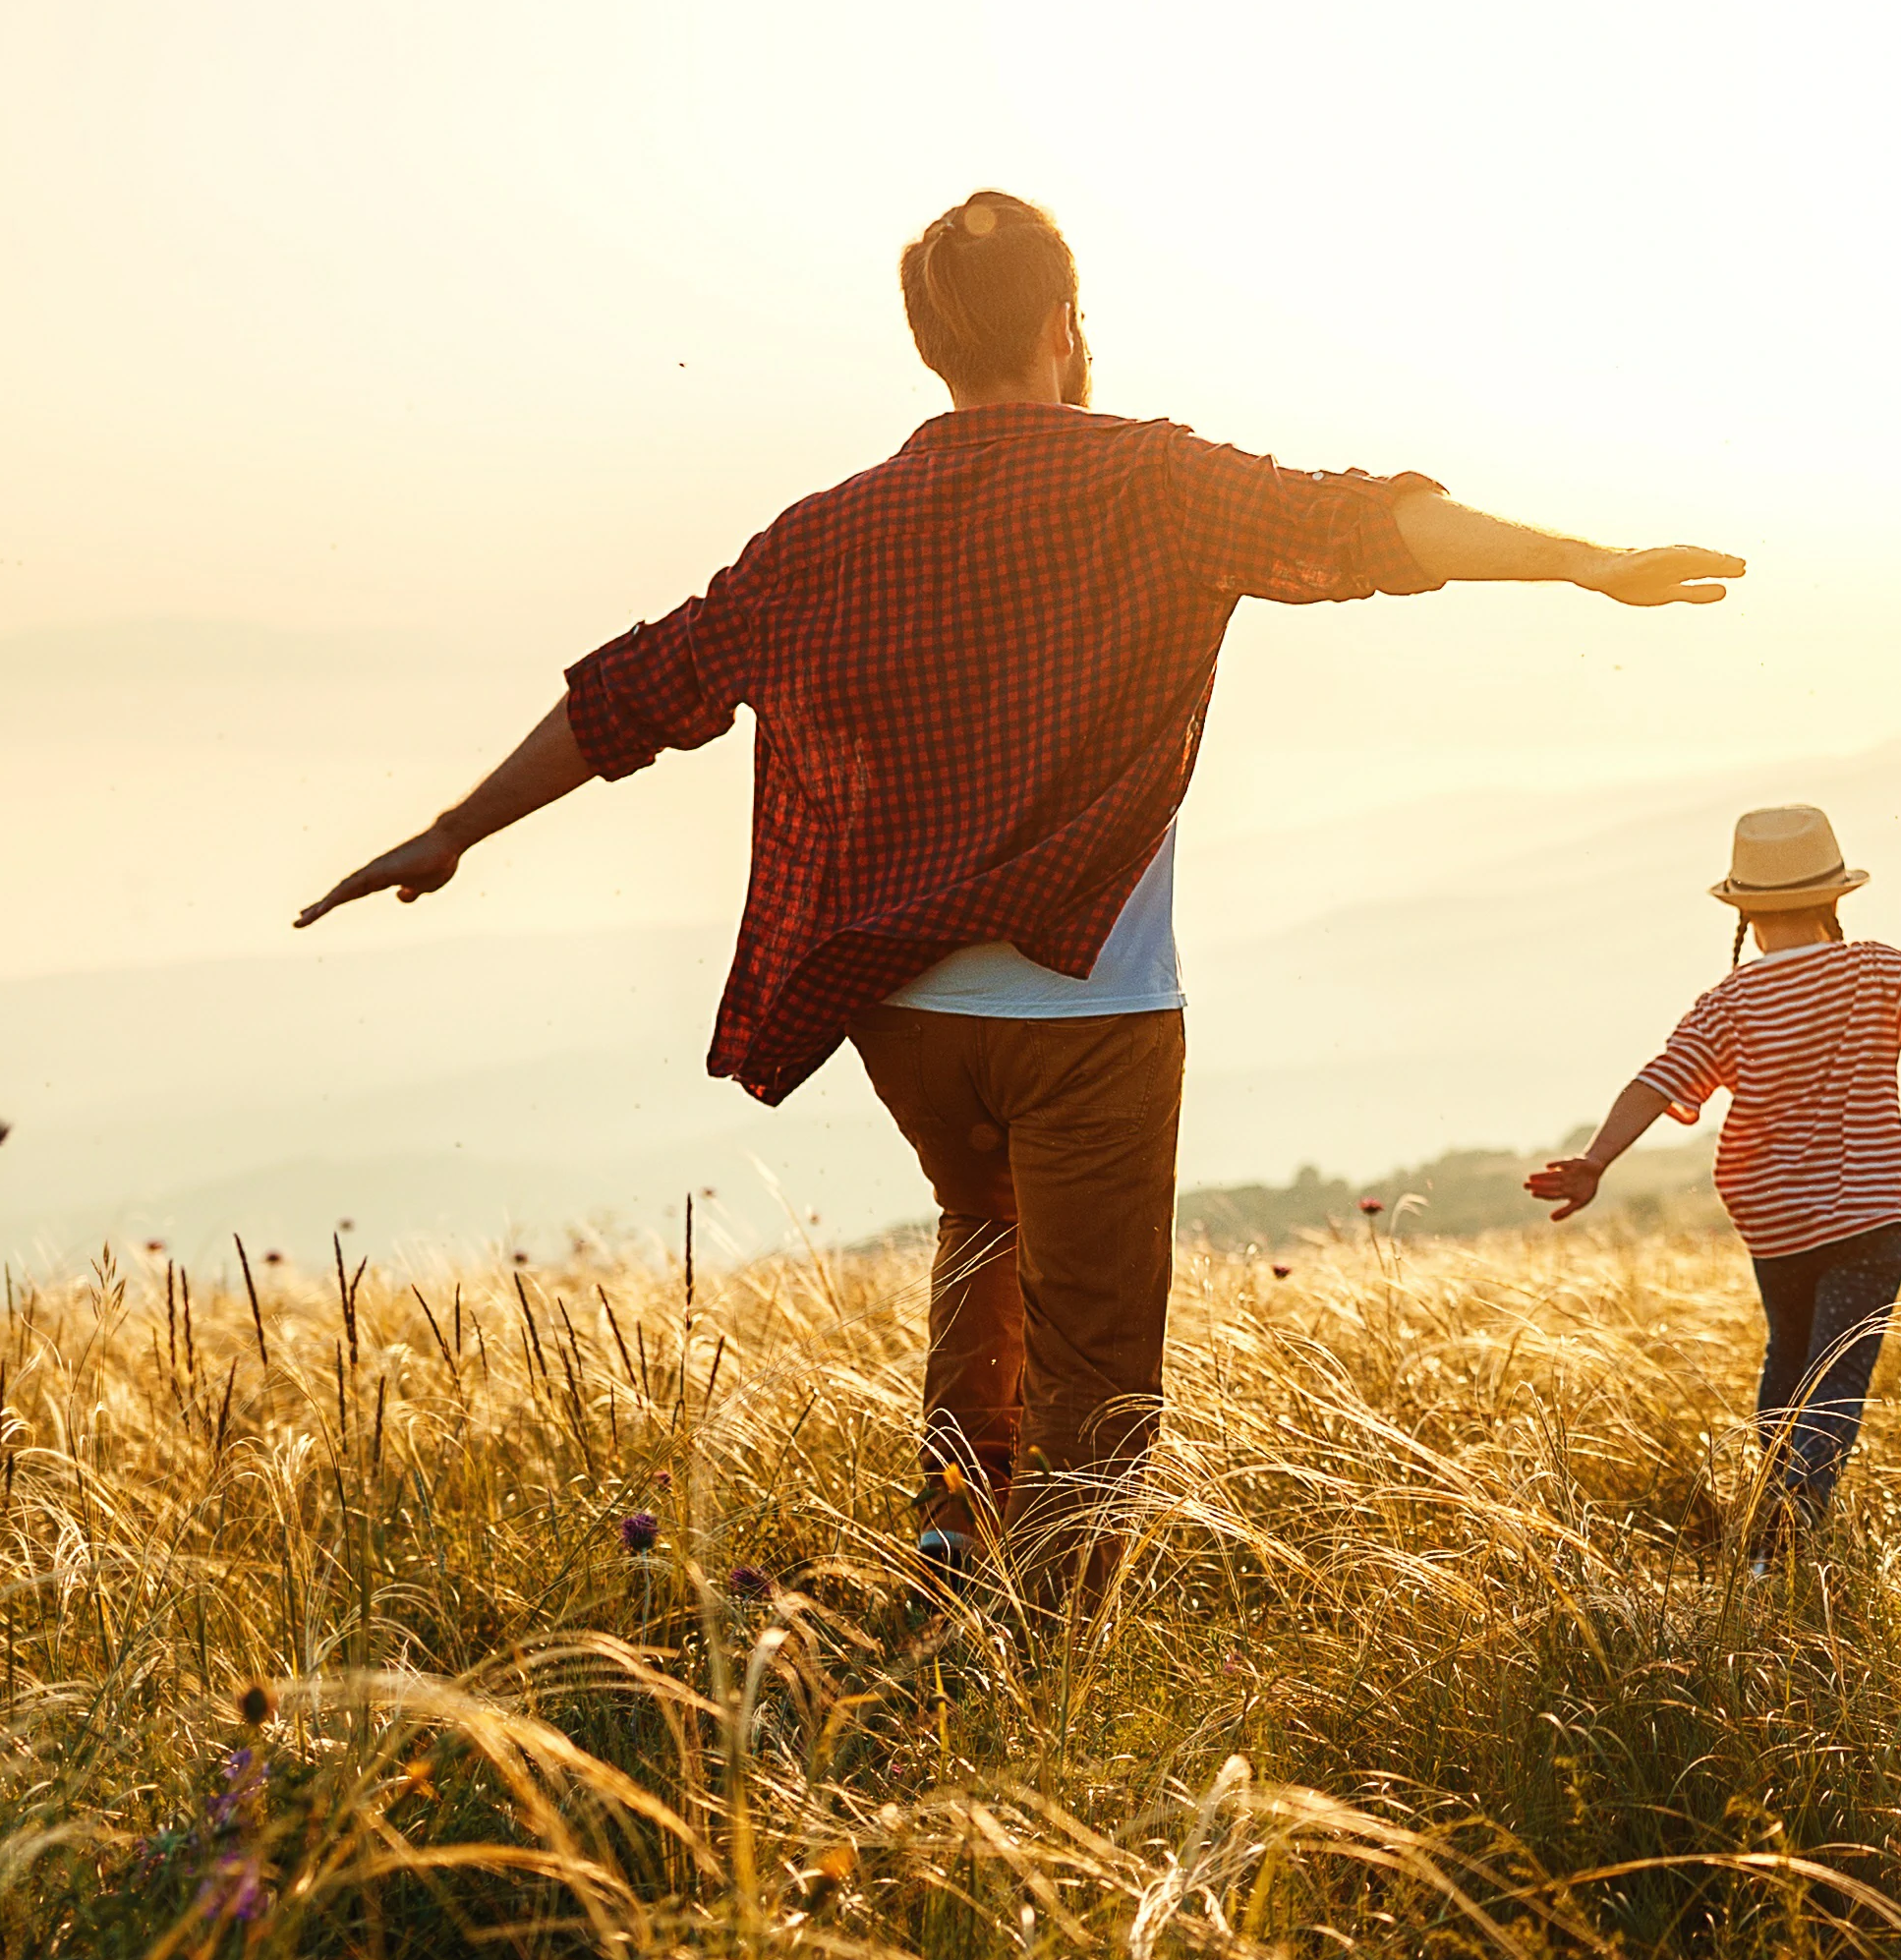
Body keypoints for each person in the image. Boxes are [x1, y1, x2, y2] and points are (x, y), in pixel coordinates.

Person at [297, 191, 1747, 1611]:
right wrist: (1588, 563)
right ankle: (1044, 1646)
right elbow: (1369, 525)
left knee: (981, 1231)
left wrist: (452, 829)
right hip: (1091, 1011)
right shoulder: (1152, 482)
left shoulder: (826, 533)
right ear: (1065, 325)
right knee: (1100, 1353)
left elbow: (643, 690)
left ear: (933, 346)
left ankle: (950, 1538)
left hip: (903, 1018)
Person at [1523, 804, 1901, 1558]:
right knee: (1838, 1371)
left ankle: (1768, 1531)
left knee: (1788, 1359)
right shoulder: (1874, 969)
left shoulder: (1727, 1002)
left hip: (1773, 1219)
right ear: (1833, 897)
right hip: (1867, 1212)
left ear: (1746, 914)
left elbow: (1655, 1082)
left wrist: (1596, 1160)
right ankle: (1791, 1526)